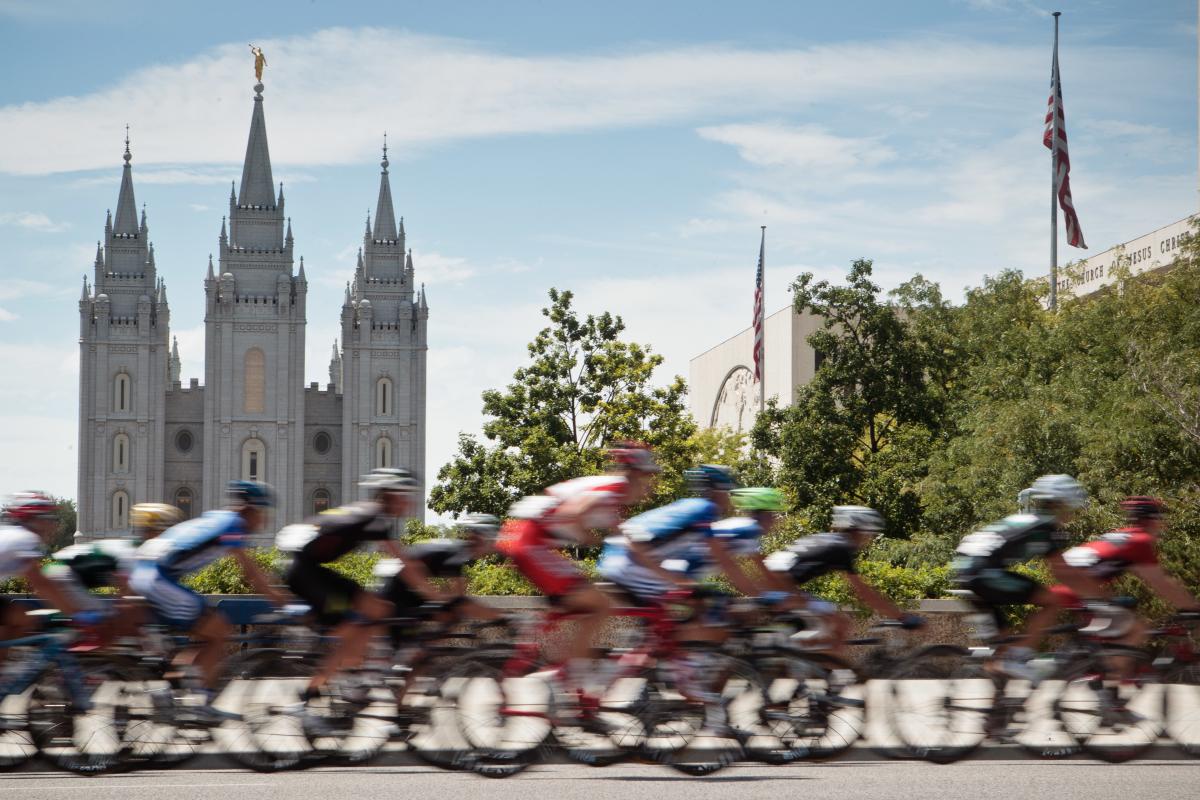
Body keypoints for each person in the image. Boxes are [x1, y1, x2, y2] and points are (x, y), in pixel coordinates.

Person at [497, 442, 659, 701]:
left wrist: (662, 575)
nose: (651, 486)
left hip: (528, 539)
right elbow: (572, 513)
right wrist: (589, 538)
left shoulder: (612, 499)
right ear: (634, 474)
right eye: (648, 477)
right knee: (600, 605)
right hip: (530, 540)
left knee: (583, 604)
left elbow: (630, 545)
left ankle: (563, 674)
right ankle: (563, 678)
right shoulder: (612, 490)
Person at [280, 467, 445, 703]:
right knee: (354, 625)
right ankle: (311, 694)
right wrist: (439, 598)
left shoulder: (371, 514)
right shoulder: (375, 517)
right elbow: (406, 565)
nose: (410, 503)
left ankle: (359, 671)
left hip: (311, 569)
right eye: (406, 496)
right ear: (392, 495)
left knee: (379, 609)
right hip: (304, 574)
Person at [129, 481, 284, 718]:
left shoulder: (218, 518)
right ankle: (201, 703)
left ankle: (169, 691)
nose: (264, 521)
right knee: (219, 631)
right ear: (250, 509)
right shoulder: (234, 525)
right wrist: (277, 596)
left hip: (147, 573)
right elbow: (249, 570)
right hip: (158, 579)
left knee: (206, 636)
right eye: (263, 513)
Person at [951, 474, 1089, 679]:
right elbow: (1061, 571)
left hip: (964, 571)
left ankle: (999, 704)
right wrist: (1097, 596)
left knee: (1003, 642)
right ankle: (1018, 656)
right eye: (1071, 508)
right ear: (1061, 505)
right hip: (985, 573)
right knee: (1053, 601)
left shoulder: (1023, 519)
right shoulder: (1045, 527)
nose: (1072, 514)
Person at [764, 505, 921, 654]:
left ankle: (807, 661)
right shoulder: (843, 548)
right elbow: (863, 592)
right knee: (840, 624)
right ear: (858, 531)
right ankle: (825, 670)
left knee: (829, 626)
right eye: (869, 534)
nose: (869, 540)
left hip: (773, 575)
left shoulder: (829, 539)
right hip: (783, 583)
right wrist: (901, 617)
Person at [1061, 496, 1200, 645]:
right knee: (1136, 631)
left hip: (1069, 585)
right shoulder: (1140, 541)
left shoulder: (1122, 535)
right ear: (1152, 520)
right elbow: (1162, 584)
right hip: (1081, 591)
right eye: (1160, 519)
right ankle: (1115, 667)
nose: (1162, 525)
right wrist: (1192, 608)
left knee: (1107, 640)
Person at [44, 502, 183, 643]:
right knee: (109, 621)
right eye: (167, 532)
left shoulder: (136, 550)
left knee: (113, 624)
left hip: (60, 574)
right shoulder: (134, 555)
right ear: (155, 532)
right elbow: (127, 599)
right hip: (63, 577)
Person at [0, 493, 85, 659]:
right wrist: (75, 614)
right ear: (36, 520)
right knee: (18, 619)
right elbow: (41, 585)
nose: (53, 524)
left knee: (20, 620)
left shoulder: (12, 534)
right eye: (50, 518)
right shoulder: (25, 539)